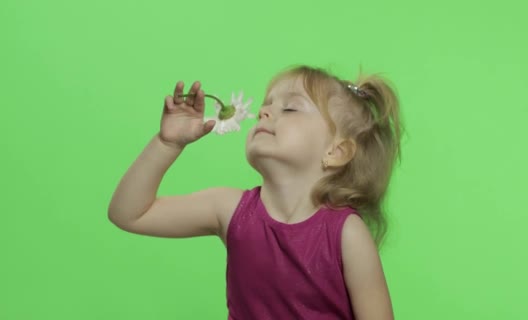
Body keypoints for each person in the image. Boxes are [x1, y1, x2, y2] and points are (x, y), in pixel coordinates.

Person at [108, 65, 404, 319]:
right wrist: (167, 143)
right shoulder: (229, 208)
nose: (263, 112)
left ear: (336, 151)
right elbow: (129, 213)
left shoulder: (347, 233)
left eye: (289, 108)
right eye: (266, 105)